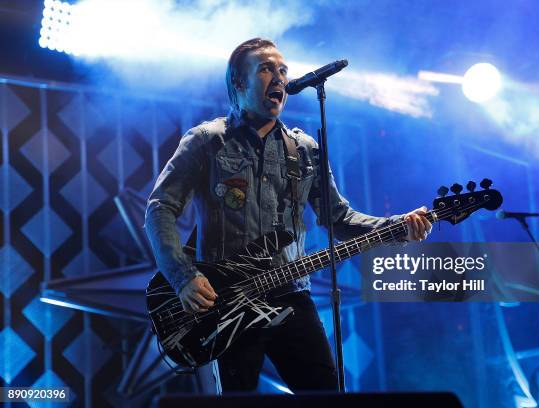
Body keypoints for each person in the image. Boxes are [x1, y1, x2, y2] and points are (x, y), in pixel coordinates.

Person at [144, 38, 432, 393]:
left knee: (327, 395)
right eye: (265, 69)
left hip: (291, 294)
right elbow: (160, 208)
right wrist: (183, 277)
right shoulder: (207, 140)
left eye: (282, 70)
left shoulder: (305, 150)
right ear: (239, 82)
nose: (278, 77)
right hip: (225, 303)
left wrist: (399, 226)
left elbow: (339, 219)